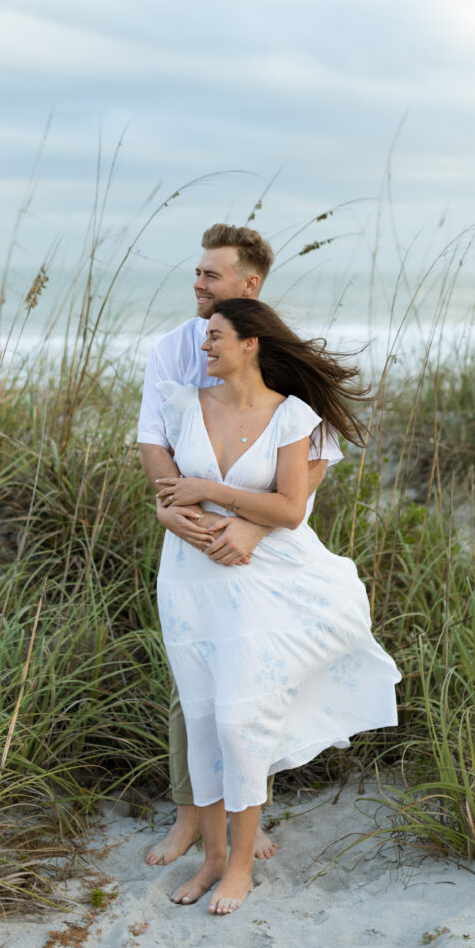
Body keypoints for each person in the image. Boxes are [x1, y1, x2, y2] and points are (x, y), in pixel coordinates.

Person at [154, 298, 401, 914]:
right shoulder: (184, 404)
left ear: (251, 343)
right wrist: (171, 510)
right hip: (188, 581)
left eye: (214, 336)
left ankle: (239, 865)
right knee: (206, 721)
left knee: (241, 724)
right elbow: (166, 496)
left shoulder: (294, 417)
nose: (202, 346)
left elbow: (290, 508)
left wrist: (210, 490)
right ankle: (211, 858)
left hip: (264, 579)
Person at [137, 224, 341, 866]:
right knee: (192, 686)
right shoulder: (175, 349)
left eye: (211, 275)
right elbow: (152, 440)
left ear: (249, 284)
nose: (197, 284)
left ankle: (242, 817)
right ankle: (191, 819)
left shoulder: (270, 352)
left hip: (262, 544)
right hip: (194, 539)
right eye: (197, 273)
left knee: (255, 679)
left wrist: (258, 524)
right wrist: (174, 507)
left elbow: (318, 456)